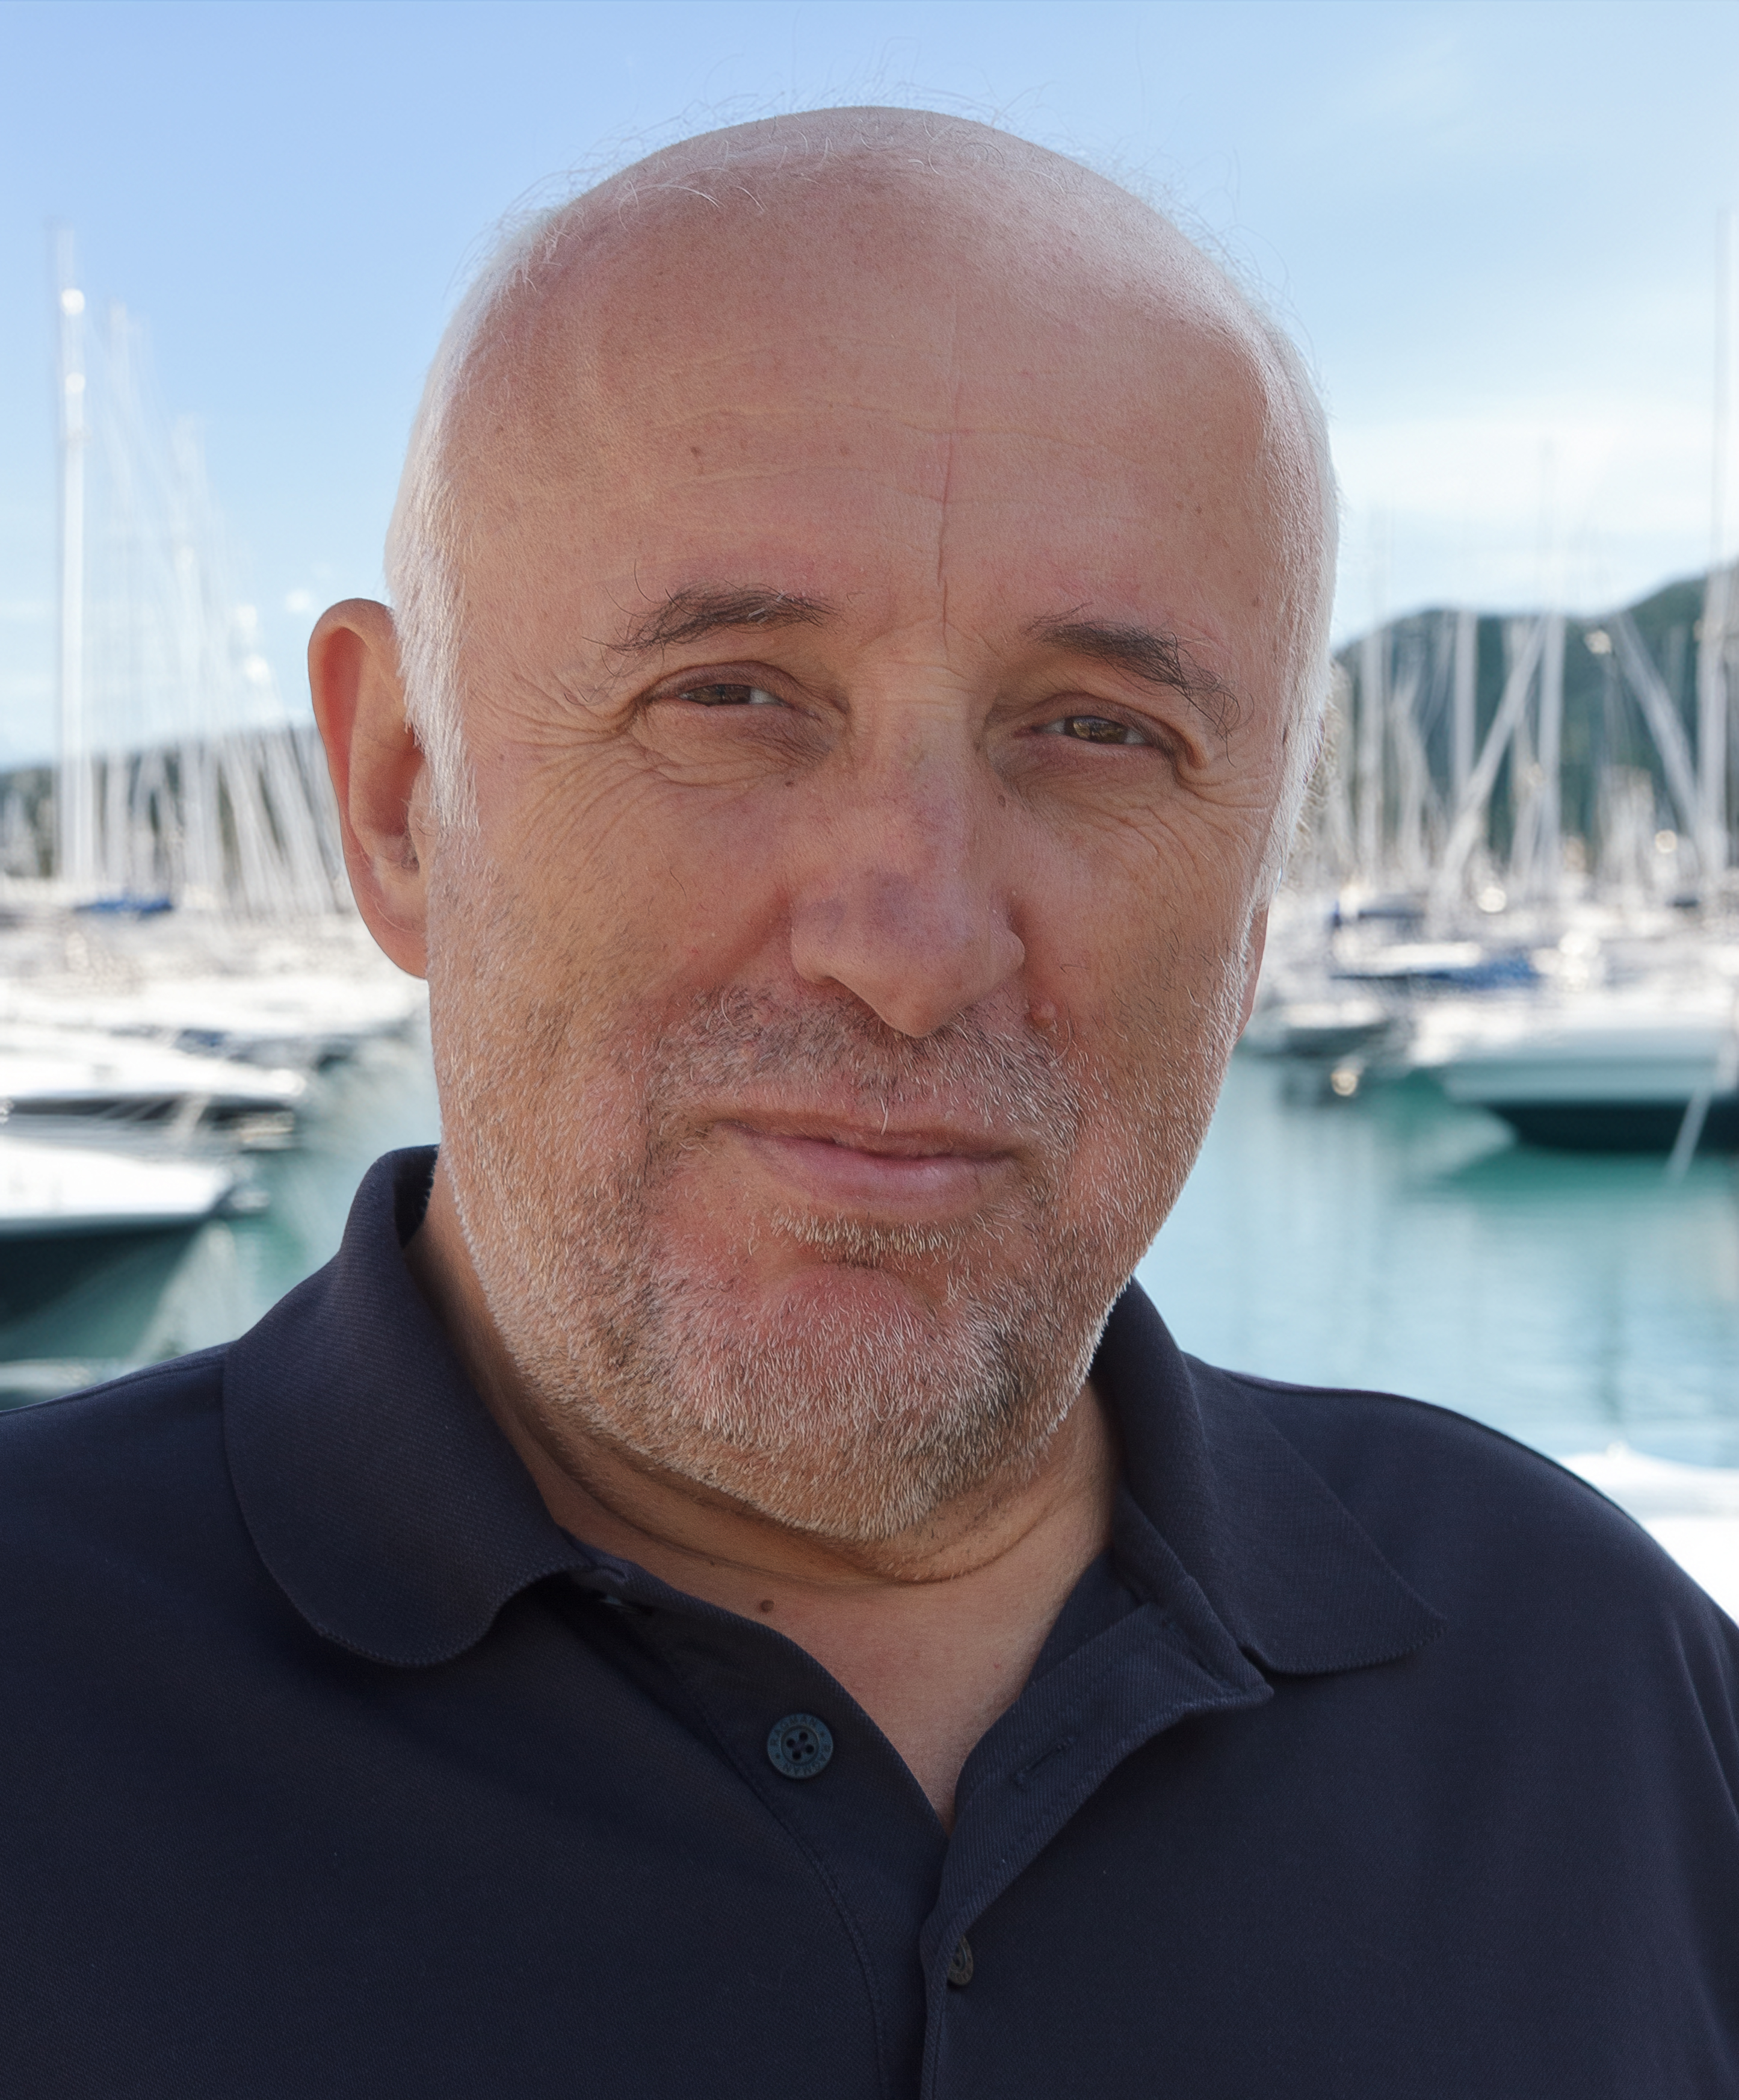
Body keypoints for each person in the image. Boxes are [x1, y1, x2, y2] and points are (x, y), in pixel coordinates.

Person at [1, 110, 1734, 2099]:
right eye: (730, 695)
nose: (909, 944)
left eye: (1097, 731)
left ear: (1257, 890)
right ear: (402, 798)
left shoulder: (1595, 1692)